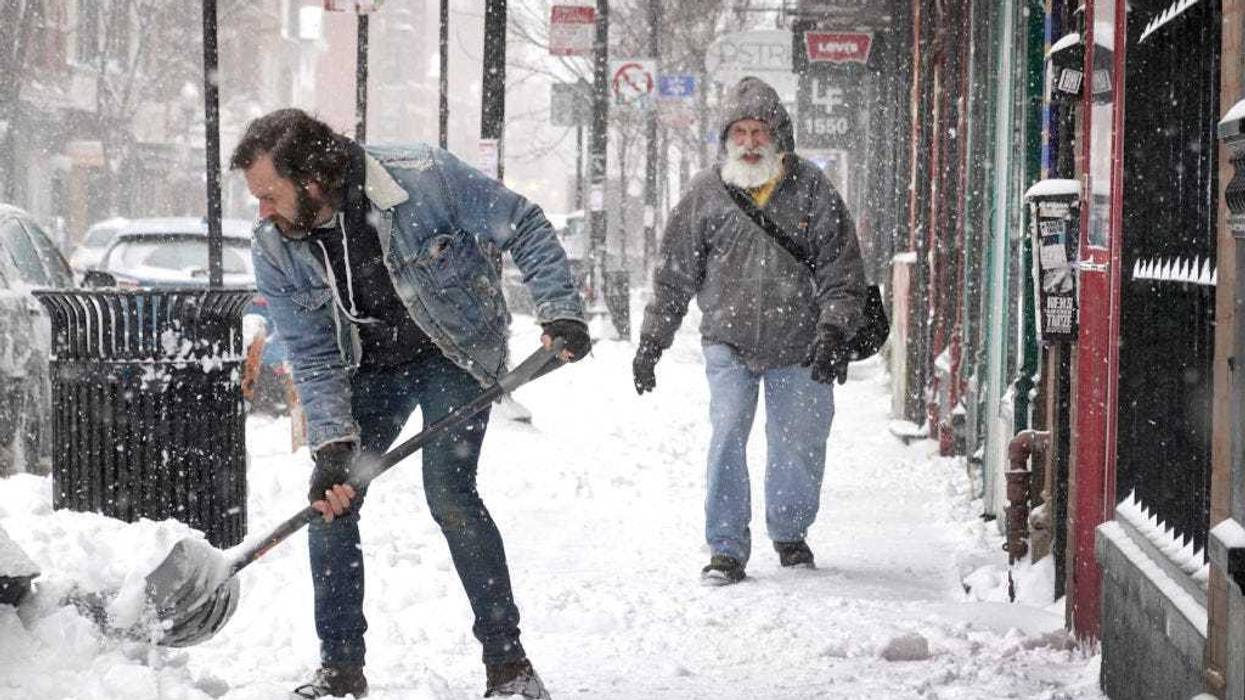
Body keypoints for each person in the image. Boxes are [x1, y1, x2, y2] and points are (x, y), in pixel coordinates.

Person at [230, 109, 589, 699]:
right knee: (329, 502)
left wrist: (559, 309)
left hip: (455, 350)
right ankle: (341, 669)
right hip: (367, 366)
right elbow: (314, 353)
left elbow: (521, 222)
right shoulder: (276, 244)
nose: (262, 211)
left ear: (313, 179)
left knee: (448, 491)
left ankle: (509, 666)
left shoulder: (421, 176)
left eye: (270, 194)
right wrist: (333, 446)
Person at [632, 77, 867, 586]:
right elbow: (675, 273)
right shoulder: (705, 193)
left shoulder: (812, 189)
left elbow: (842, 269)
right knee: (727, 435)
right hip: (729, 342)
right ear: (726, 138)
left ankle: (788, 531)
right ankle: (726, 548)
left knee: (799, 443)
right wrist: (653, 341)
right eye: (740, 131)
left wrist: (832, 332)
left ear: (778, 134)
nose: (750, 141)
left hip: (801, 342)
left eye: (759, 130)